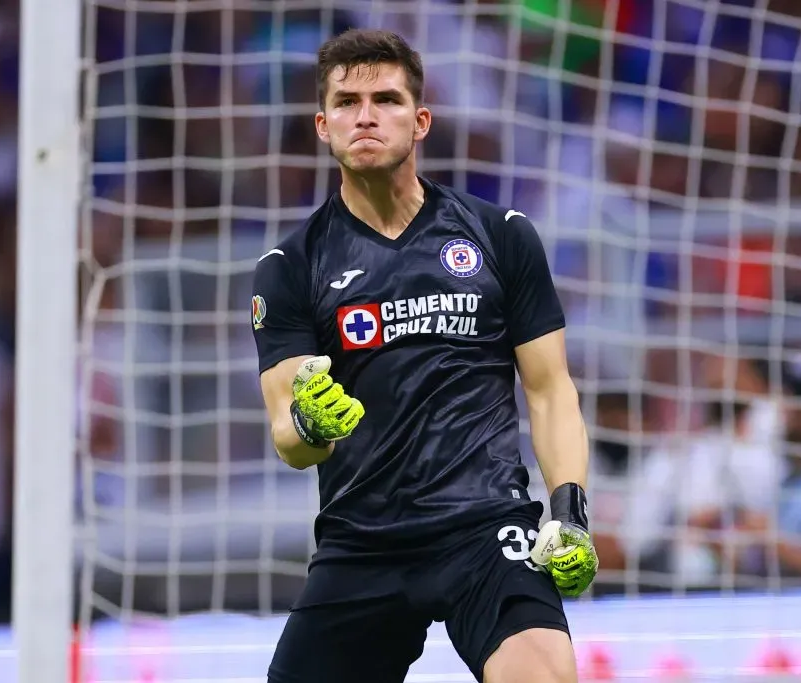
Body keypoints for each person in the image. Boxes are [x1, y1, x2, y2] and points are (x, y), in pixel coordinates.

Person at [251, 28, 598, 683]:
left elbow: (551, 390)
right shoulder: (290, 268)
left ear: (421, 121)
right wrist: (309, 422)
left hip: (485, 526)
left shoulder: (499, 236)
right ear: (323, 126)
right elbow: (288, 439)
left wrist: (570, 516)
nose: (366, 116)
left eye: (386, 99)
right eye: (347, 102)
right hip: (362, 540)